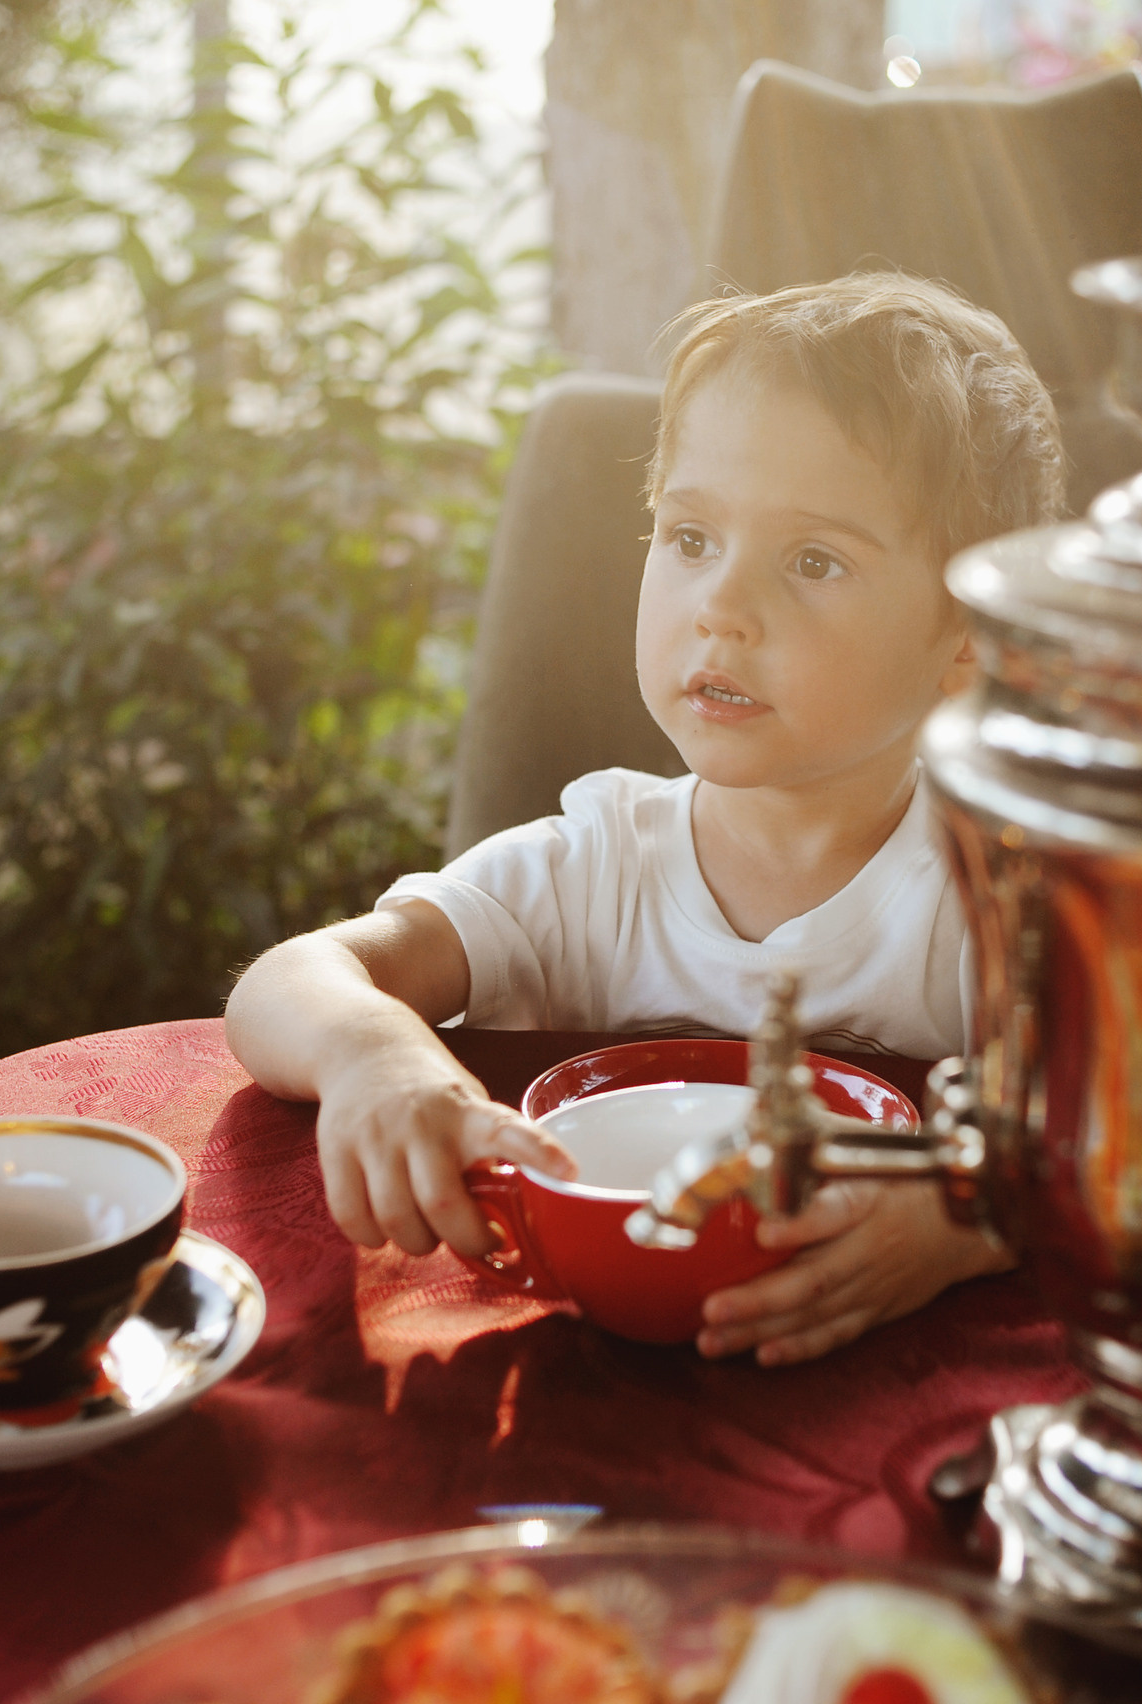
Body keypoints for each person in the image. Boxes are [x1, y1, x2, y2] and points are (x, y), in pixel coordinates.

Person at [227, 272, 1066, 1365]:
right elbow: (286, 985)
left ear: (968, 640)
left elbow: (1137, 1142)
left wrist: (970, 1218)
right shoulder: (592, 868)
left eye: (813, 561)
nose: (721, 607)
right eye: (690, 537)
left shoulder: (1000, 895)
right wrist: (373, 1055)